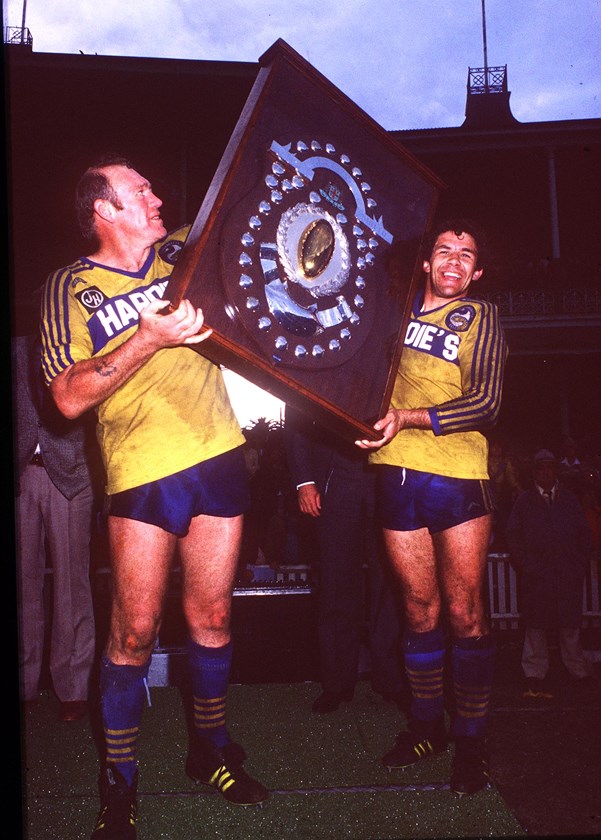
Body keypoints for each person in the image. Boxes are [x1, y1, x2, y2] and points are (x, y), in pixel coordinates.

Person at [40, 155, 268, 839]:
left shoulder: (184, 249)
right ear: (104, 210)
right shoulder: (70, 287)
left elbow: (251, 210)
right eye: (141, 191)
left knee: (213, 619)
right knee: (134, 632)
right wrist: (147, 337)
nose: (157, 197)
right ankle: (119, 783)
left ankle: (210, 750)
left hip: (217, 451)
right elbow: (66, 397)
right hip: (141, 469)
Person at [356, 218, 508, 796]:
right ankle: (426, 729)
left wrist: (407, 417)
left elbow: (487, 402)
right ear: (426, 261)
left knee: (465, 613)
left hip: (459, 476)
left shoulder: (480, 316)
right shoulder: (391, 311)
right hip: (395, 472)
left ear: (477, 271)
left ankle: (471, 741)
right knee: (419, 609)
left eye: (466, 255)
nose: (454, 261)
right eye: (445, 250)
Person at [285, 406, 404, 714]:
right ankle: (336, 683)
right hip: (336, 476)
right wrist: (304, 481)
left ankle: (392, 679)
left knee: (391, 582)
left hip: (386, 474)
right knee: (336, 583)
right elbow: (297, 408)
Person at [13, 331, 98, 722]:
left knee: (71, 583)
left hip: (72, 473)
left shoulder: (81, 337)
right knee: (22, 583)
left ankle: (73, 688)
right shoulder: (17, 346)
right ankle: (24, 683)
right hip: (20, 475)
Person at [505, 449, 596, 697]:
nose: (546, 472)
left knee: (569, 624)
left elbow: (584, 534)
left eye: (550, 467)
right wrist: (526, 564)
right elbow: (513, 536)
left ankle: (578, 670)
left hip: (566, 573)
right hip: (537, 575)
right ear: (534, 472)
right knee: (535, 624)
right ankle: (534, 673)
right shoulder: (524, 502)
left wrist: (577, 563)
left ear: (556, 471)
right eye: (541, 468)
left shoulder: (569, 500)